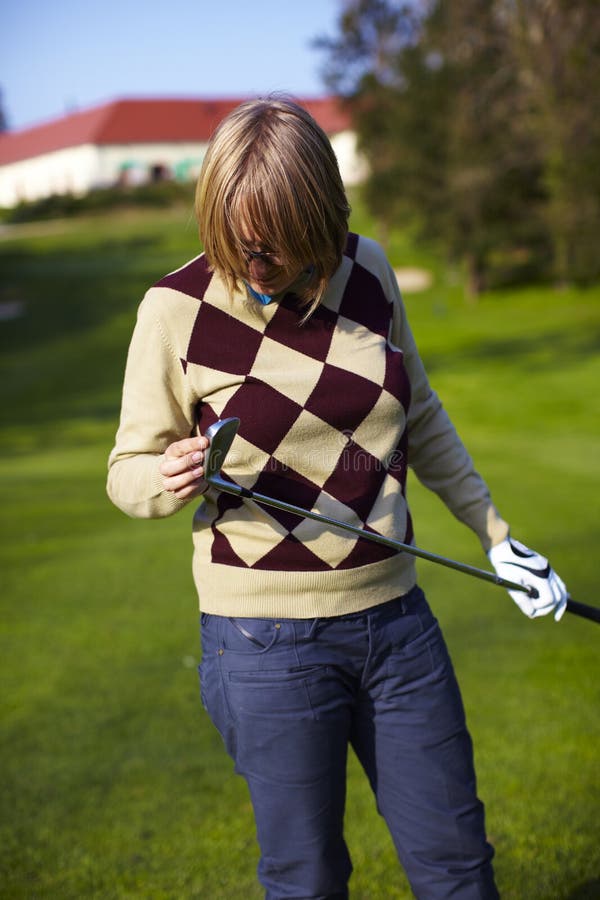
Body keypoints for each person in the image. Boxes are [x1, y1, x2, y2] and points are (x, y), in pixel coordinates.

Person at [107, 96, 568, 899]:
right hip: (263, 646)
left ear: (318, 209)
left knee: (458, 863)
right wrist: (167, 475)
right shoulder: (173, 310)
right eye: (239, 238)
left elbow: (418, 412)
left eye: (277, 238)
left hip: (398, 628)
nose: (257, 261)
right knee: (307, 879)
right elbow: (126, 471)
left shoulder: (371, 271)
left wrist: (497, 534)